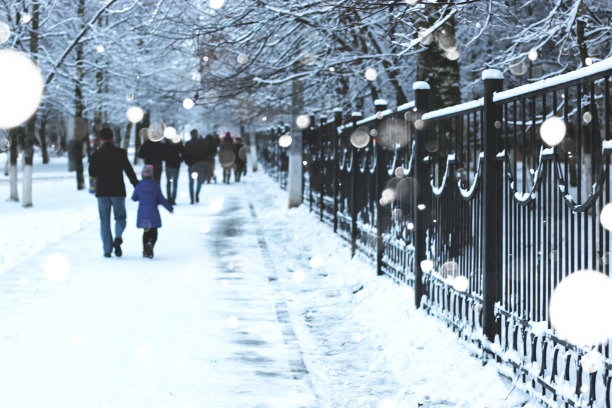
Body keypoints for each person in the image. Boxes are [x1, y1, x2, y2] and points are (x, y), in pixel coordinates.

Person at [88, 127, 139, 258]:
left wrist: (93, 188)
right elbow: (129, 171)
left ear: (100, 139)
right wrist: (136, 185)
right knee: (120, 218)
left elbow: (92, 173)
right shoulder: (120, 153)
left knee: (104, 221)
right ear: (112, 138)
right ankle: (117, 237)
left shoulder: (95, 155)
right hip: (118, 191)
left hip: (102, 192)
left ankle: (107, 249)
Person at [132, 164, 173, 258]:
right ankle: (150, 244)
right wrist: (169, 208)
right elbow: (161, 199)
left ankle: (145, 250)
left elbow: (134, 198)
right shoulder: (155, 185)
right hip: (153, 213)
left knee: (146, 232)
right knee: (154, 232)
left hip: (143, 213)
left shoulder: (139, 185)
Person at [183, 129, 207, 203]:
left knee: (191, 182)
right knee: (199, 181)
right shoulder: (202, 143)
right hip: (200, 164)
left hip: (191, 165)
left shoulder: (188, 143)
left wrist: (188, 162)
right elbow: (205, 152)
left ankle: (192, 198)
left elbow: (185, 154)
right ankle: (196, 194)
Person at [163, 138, 183, 205]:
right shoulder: (178, 143)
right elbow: (183, 152)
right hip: (176, 165)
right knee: (174, 183)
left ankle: (169, 199)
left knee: (169, 183)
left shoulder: (166, 144)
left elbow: (163, 153)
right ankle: (173, 199)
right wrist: (179, 160)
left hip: (168, 165)